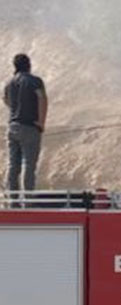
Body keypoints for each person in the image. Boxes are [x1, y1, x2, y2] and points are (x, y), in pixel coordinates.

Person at [3, 54, 47, 198]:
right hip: (30, 127)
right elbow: (42, 98)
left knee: (13, 165)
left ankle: (12, 200)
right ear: (28, 64)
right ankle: (28, 200)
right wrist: (41, 122)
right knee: (28, 165)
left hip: (12, 126)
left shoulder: (9, 83)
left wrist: (15, 109)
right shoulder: (35, 81)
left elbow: (4, 98)